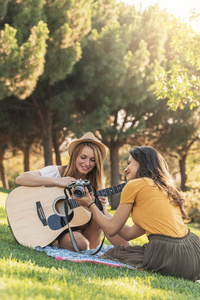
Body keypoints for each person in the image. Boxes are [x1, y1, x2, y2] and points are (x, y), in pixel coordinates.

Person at [73, 146, 200, 281]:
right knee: (130, 252)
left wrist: (90, 205)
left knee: (115, 253)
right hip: (193, 252)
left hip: (167, 252)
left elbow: (111, 229)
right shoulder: (162, 188)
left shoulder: (134, 184)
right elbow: (129, 233)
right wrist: (102, 210)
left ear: (143, 162)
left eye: (129, 163)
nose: (126, 169)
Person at [15, 132, 129, 251]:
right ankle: (53, 240)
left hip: (84, 231)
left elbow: (104, 221)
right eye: (83, 157)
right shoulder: (57, 172)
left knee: (99, 216)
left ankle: (130, 251)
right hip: (63, 232)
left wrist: (101, 207)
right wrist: (57, 181)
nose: (87, 163)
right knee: (81, 244)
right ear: (75, 156)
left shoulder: (96, 184)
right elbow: (21, 179)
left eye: (92, 160)